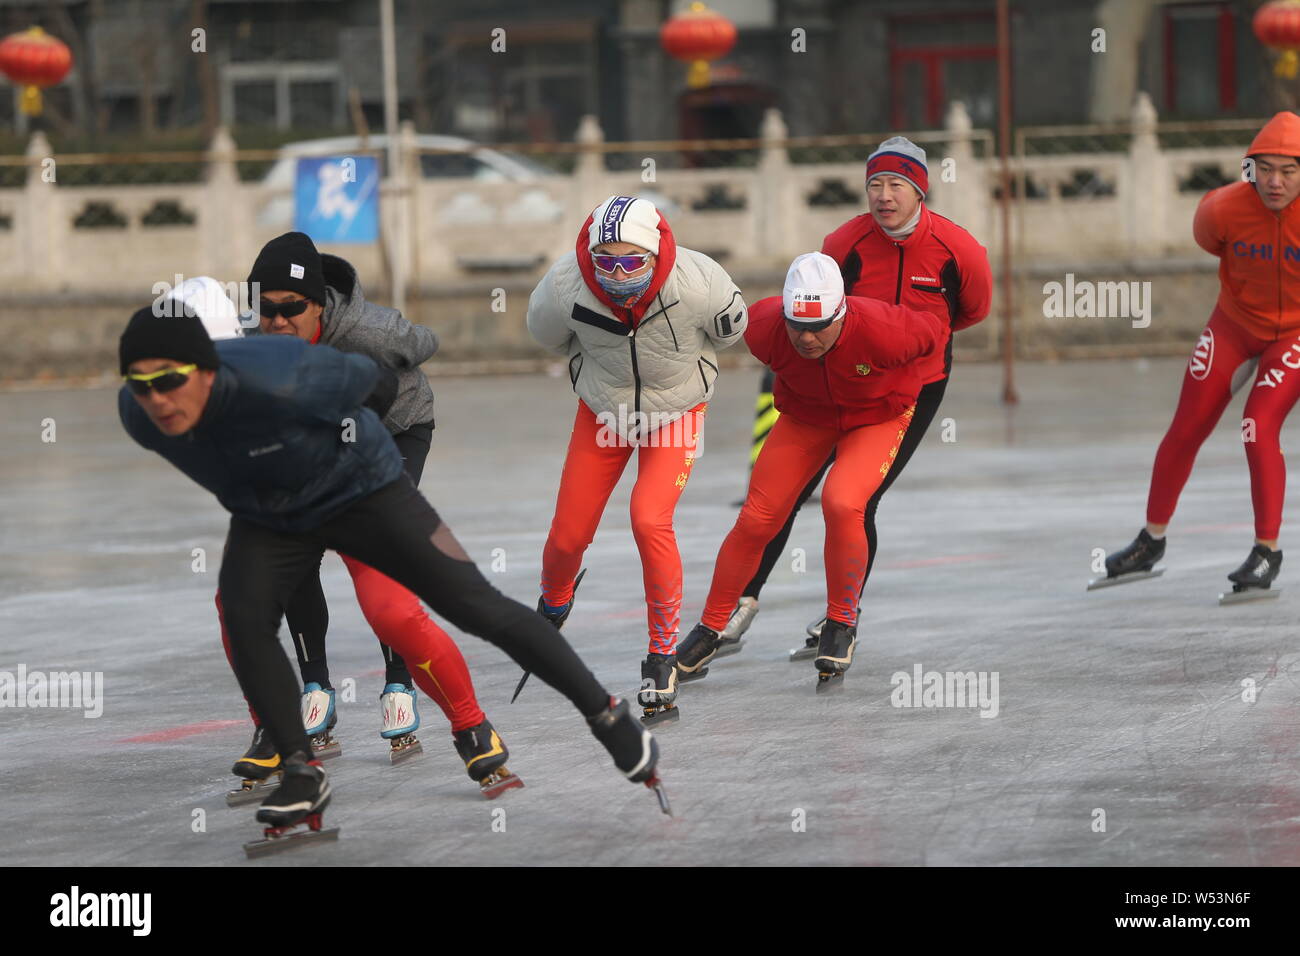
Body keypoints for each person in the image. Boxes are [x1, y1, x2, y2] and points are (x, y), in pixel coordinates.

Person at [118, 307, 665, 832]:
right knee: (241, 613)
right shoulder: (137, 417)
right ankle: (301, 770)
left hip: (367, 493)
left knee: (472, 604)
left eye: (169, 380)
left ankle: (607, 715)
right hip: (273, 515)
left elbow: (377, 382)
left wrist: (341, 439)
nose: (157, 400)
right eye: (141, 386)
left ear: (208, 370)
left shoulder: (283, 375)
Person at [218, 235, 511, 794]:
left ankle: (457, 718)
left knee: (387, 595)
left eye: (291, 308)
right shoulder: (252, 337)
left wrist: (390, 359)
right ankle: (294, 711)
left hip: (393, 432)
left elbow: (425, 342)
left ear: (320, 306)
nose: (276, 321)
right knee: (243, 592)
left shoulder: (371, 332)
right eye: (265, 308)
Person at [719, 136, 991, 651]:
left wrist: (907, 344)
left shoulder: (960, 250)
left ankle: (840, 619)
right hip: (833, 378)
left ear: (919, 191)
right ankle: (743, 601)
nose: (884, 195)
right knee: (783, 496)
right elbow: (815, 304)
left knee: (855, 501)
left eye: (896, 184)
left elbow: (972, 310)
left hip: (915, 387)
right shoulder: (844, 244)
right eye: (875, 185)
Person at [526, 195, 747, 721]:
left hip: (676, 410)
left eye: (631, 262)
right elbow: (546, 338)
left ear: (655, 253)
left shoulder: (700, 281)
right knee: (568, 535)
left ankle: (662, 653)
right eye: (606, 262)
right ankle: (554, 601)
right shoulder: (563, 286)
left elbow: (732, 332)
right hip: (606, 412)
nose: (618, 274)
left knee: (649, 519)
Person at [675, 252, 941, 684]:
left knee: (842, 503)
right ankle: (711, 629)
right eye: (797, 325)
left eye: (819, 327)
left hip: (877, 417)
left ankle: (840, 622)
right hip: (806, 417)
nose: (807, 338)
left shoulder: (889, 332)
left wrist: (904, 390)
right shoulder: (762, 328)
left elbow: (938, 336)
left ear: (842, 311)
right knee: (757, 519)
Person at [1103, 112, 1300, 593]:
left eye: (1289, 171)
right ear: (1250, 169)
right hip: (1234, 325)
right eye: (1265, 169)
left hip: (1295, 334)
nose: (1275, 182)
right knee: (1186, 427)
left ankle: (1266, 551)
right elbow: (1211, 242)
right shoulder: (1220, 210)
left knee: (1258, 428)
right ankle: (1151, 540)